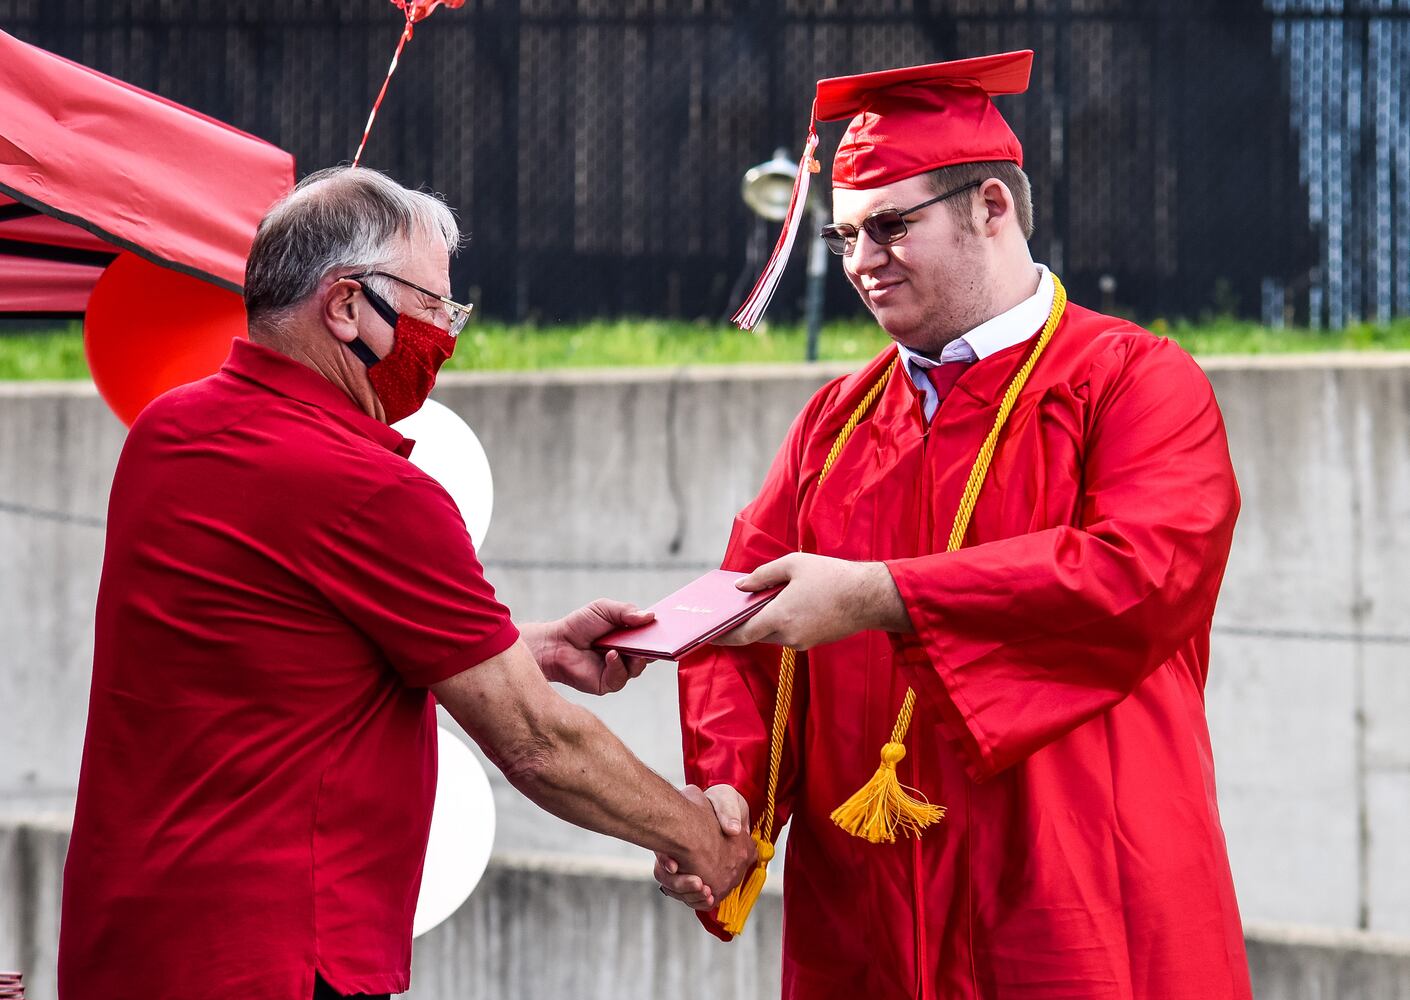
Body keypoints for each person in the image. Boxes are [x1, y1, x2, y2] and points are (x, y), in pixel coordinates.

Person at [57, 166, 754, 1000]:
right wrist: (703, 841)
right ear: (346, 305)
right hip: (278, 957)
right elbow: (538, 744)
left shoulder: (169, 431)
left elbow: (286, 646)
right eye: (433, 309)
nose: (446, 338)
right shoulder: (368, 489)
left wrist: (532, 648)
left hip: (128, 942)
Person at [657, 50, 1253, 999]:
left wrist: (879, 596)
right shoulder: (836, 421)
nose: (860, 262)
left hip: (1074, 888)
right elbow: (746, 623)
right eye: (845, 234)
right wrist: (727, 798)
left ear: (991, 207)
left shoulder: (1134, 382)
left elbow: (1138, 576)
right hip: (870, 914)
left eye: (891, 227)